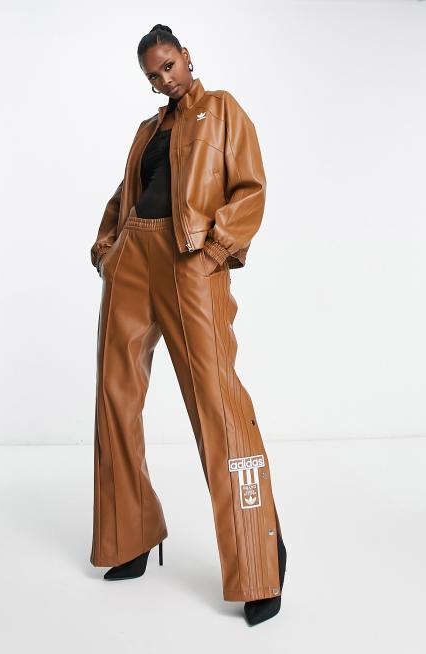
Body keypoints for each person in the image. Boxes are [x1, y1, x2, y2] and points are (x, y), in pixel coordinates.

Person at [89, 23, 287, 626]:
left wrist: (215, 250)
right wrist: (108, 247)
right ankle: (131, 535)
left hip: (189, 260)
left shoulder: (221, 111)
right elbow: (127, 192)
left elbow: (250, 187)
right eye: (153, 74)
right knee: (115, 398)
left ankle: (259, 556)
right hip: (134, 260)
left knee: (216, 403)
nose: (164, 79)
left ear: (186, 57)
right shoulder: (147, 131)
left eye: (169, 65)